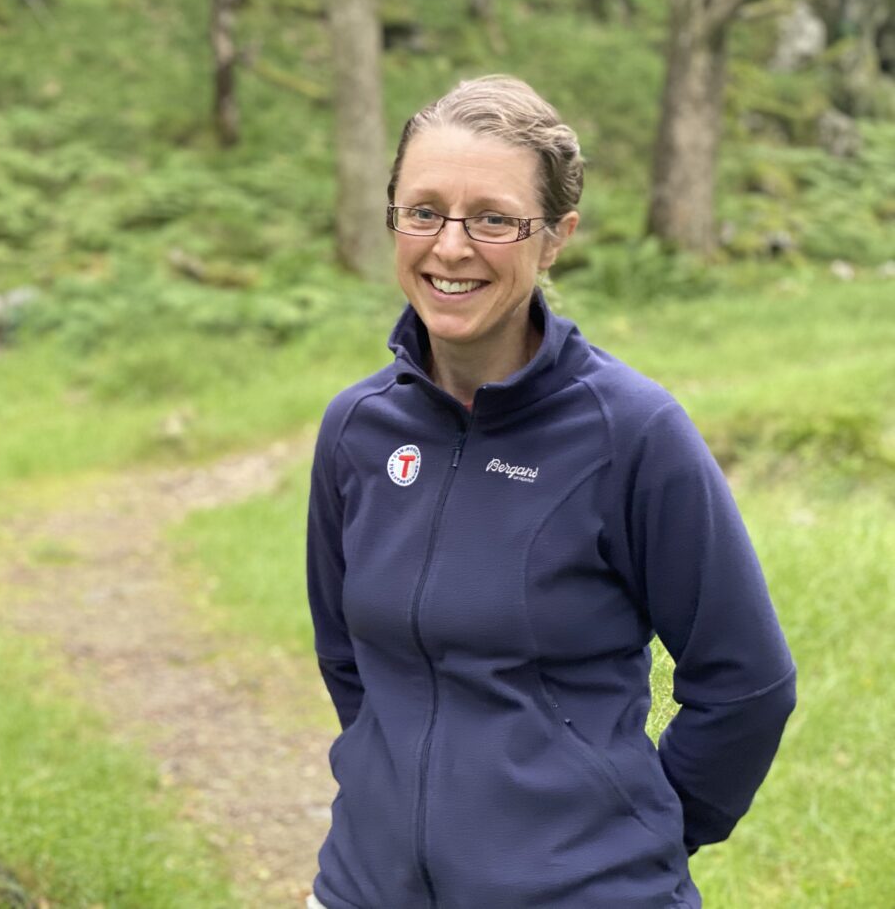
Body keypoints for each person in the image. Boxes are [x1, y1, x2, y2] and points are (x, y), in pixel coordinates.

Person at [304, 75, 796, 909]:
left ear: (556, 236)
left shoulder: (632, 433)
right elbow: (350, 664)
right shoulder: (357, 431)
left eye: (493, 218)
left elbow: (747, 683)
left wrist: (635, 836)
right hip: (362, 888)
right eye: (423, 210)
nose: (450, 246)